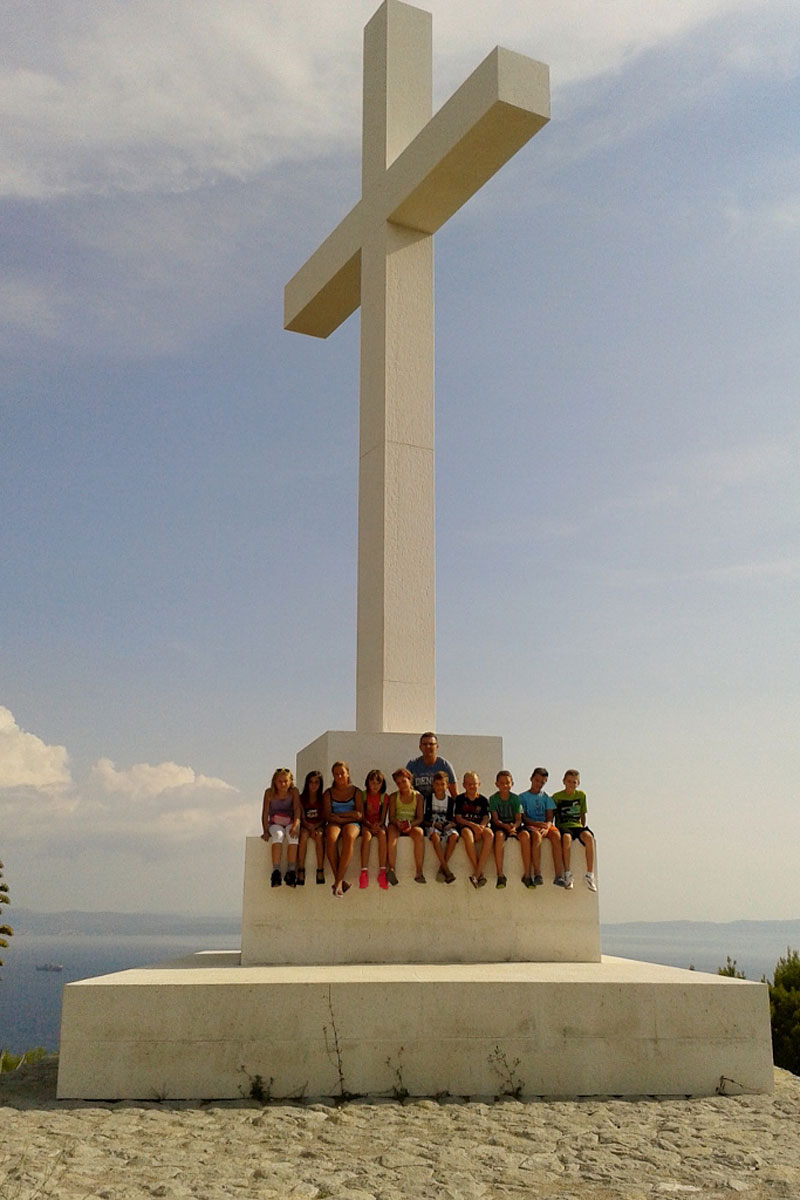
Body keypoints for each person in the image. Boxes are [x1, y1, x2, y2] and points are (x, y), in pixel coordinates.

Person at [547, 769, 596, 891]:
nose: (571, 784)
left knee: (589, 838)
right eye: (569, 781)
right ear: (564, 781)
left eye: (574, 782)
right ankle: (568, 873)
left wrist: (582, 826)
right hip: (563, 826)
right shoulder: (557, 797)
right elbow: (551, 814)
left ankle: (590, 875)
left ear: (578, 783)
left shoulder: (581, 795)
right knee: (566, 838)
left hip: (577, 826)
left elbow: (582, 814)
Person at [322, 761, 363, 897]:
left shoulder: (356, 791)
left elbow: (359, 815)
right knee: (331, 838)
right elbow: (327, 815)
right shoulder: (328, 793)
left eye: (342, 773)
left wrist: (341, 817)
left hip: (351, 823)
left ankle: (338, 882)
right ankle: (339, 881)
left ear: (348, 773)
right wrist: (348, 816)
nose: (339, 776)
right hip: (334, 823)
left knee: (349, 836)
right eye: (336, 774)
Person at [519, 767, 565, 887]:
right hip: (531, 825)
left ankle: (559, 875)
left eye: (542, 782)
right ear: (531, 779)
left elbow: (550, 817)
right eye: (537, 780)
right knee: (536, 837)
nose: (539, 784)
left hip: (544, 826)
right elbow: (523, 818)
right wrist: (537, 824)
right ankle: (537, 873)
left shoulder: (546, 798)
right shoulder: (522, 797)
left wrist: (547, 827)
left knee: (556, 835)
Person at [488, 770, 530, 888]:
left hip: (514, 826)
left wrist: (514, 827)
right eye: (502, 783)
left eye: (507, 783)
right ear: (497, 784)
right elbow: (495, 820)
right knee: (499, 837)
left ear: (512, 784)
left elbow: (519, 819)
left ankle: (527, 874)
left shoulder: (516, 799)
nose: (505, 786)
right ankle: (500, 874)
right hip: (500, 826)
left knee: (525, 836)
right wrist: (506, 827)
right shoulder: (493, 799)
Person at [260, 767, 301, 888]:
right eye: (280, 781)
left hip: (290, 821)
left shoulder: (294, 792)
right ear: (275, 782)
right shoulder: (269, 793)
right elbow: (265, 812)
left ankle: (291, 870)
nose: (283, 784)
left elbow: (297, 809)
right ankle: (276, 870)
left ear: (290, 781)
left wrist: (296, 825)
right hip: (275, 822)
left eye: (285, 781)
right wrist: (265, 830)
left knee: (293, 837)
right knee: (278, 835)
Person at [386, 767, 426, 884]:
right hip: (397, 824)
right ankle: (391, 868)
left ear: (410, 780)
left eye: (404, 781)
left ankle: (419, 871)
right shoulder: (394, 797)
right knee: (391, 833)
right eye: (398, 783)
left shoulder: (418, 797)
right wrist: (397, 823)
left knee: (419, 833)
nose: (401, 785)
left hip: (411, 824)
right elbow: (391, 817)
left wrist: (410, 824)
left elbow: (420, 817)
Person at [406, 732, 457, 823]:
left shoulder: (445, 766)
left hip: (436, 810)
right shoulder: (412, 765)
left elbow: (454, 794)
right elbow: (405, 789)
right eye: (425, 744)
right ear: (420, 747)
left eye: (431, 744)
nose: (428, 747)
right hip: (417, 810)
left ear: (437, 747)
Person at [453, 771, 493, 888]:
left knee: (489, 835)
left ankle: (476, 874)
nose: (471, 786)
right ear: (464, 785)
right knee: (467, 834)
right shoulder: (460, 799)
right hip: (466, 826)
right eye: (469, 784)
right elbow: (458, 818)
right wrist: (473, 826)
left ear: (479, 784)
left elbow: (486, 816)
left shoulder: (483, 800)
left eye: (474, 783)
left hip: (480, 826)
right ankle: (478, 872)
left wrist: (481, 827)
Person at [426, 769, 458, 883]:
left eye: (442, 784)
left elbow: (455, 820)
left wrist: (451, 825)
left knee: (454, 836)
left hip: (446, 827)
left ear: (447, 786)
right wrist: (434, 824)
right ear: (433, 785)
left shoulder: (451, 802)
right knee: (435, 836)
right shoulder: (428, 799)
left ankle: (442, 868)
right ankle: (447, 870)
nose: (440, 787)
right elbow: (424, 819)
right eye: (437, 784)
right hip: (433, 826)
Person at [360, 768, 389, 889]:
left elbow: (383, 817)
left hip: (378, 824)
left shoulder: (384, 797)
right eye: (372, 782)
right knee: (366, 837)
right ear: (367, 782)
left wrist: (378, 825)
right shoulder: (363, 795)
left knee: (382, 836)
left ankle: (382, 871)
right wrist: (369, 825)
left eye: (378, 783)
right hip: (366, 824)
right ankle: (364, 871)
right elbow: (361, 815)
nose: (375, 786)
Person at [297, 769, 326, 886]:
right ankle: (301, 869)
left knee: (319, 836)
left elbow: (324, 817)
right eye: (311, 782)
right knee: (303, 836)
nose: (313, 785)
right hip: (306, 825)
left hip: (318, 825)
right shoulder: (301, 798)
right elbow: (301, 816)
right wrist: (309, 827)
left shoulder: (322, 799)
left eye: (316, 782)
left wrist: (315, 827)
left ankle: (320, 869)